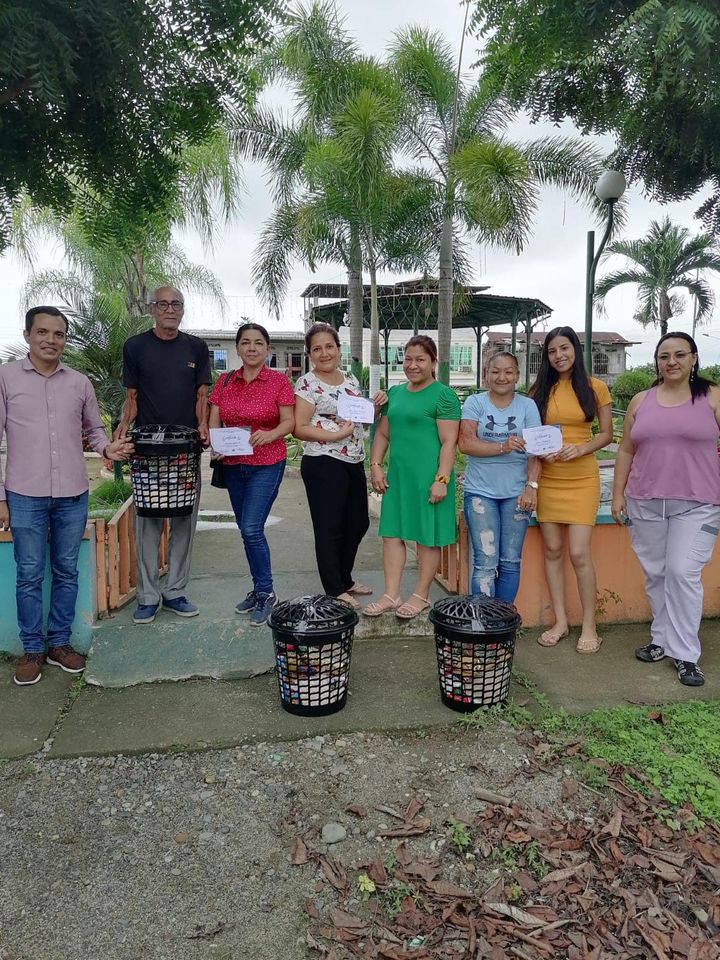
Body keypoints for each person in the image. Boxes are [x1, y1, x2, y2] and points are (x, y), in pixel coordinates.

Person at [0, 306, 133, 686]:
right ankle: (31, 650)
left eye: (58, 334)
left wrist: (108, 448)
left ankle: (59, 644)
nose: (50, 340)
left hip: (73, 493)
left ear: (65, 339)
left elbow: (94, 430)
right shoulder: (6, 378)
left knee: (66, 570)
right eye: (42, 332)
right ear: (27, 335)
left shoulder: (79, 383)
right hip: (24, 493)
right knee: (29, 573)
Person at [612, 332, 720, 687]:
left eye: (679, 355)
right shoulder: (641, 401)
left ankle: (686, 654)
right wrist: (617, 495)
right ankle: (660, 640)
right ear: (657, 361)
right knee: (656, 573)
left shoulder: (712, 396)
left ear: (693, 358)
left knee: (682, 572)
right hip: (645, 500)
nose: (671, 361)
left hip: (699, 503)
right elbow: (626, 450)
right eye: (664, 356)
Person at [118, 286, 211, 624]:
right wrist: (122, 427)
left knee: (184, 520)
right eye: (163, 304)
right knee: (148, 522)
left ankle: (175, 592)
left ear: (182, 310)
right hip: (148, 450)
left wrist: (203, 426)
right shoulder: (135, 347)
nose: (170, 309)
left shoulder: (196, 347)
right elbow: (131, 397)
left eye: (176, 304)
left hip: (185, 450)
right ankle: (147, 597)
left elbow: (202, 395)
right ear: (151, 309)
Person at [529, 326, 612, 653]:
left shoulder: (595, 388)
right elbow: (533, 434)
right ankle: (560, 622)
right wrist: (542, 452)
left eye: (564, 348)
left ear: (575, 350)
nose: (559, 355)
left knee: (578, 553)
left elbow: (606, 434)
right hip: (549, 477)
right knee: (552, 550)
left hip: (582, 478)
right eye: (552, 351)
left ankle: (590, 626)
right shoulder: (538, 390)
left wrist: (581, 449)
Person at [365, 335, 461, 619]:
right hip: (399, 478)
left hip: (430, 479)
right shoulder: (394, 394)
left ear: (434, 362)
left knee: (426, 537)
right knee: (391, 535)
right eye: (408, 359)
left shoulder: (444, 396)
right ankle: (391, 594)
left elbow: (449, 442)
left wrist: (441, 480)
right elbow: (383, 434)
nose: (413, 365)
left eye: (420, 359)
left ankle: (421, 595)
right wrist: (375, 465)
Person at [293, 322, 386, 609]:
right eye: (317, 349)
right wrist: (335, 436)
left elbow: (360, 421)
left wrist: (376, 407)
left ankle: (345, 579)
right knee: (329, 526)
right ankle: (334, 588)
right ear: (310, 354)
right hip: (322, 462)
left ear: (338, 348)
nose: (324, 353)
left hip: (353, 459)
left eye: (329, 347)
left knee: (358, 523)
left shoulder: (350, 380)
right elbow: (299, 428)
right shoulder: (307, 383)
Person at [208, 322, 295, 626]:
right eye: (246, 342)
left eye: (258, 343)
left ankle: (267, 593)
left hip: (267, 462)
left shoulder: (278, 381)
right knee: (246, 530)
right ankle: (259, 589)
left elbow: (288, 421)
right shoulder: (225, 381)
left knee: (251, 529)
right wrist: (216, 444)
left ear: (267, 348)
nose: (252, 348)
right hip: (233, 465)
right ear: (237, 348)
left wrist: (270, 435)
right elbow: (215, 417)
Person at [458, 351, 542, 602]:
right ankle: (482, 620)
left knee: (510, 562)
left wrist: (531, 486)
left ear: (517, 375)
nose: (501, 377)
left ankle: (503, 619)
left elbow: (536, 451)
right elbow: (466, 443)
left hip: (516, 493)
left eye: (508, 372)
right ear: (486, 375)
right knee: (485, 562)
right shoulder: (475, 403)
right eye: (495, 372)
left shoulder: (527, 406)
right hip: (480, 491)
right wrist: (503, 446)